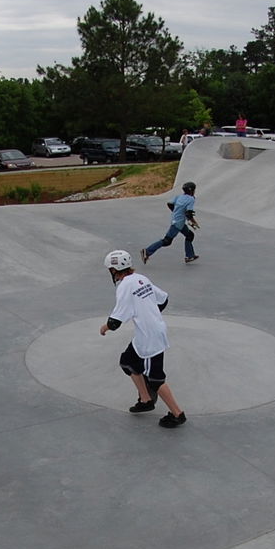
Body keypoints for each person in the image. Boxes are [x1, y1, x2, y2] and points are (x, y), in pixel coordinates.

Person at [99, 249, 187, 428]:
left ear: (114, 270)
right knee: (128, 361)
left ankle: (177, 414)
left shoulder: (124, 286)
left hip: (149, 338)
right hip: (150, 332)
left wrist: (105, 327)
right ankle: (146, 399)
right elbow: (163, 299)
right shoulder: (141, 279)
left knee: (155, 379)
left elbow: (116, 321)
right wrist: (149, 313)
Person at [141, 181, 198, 265]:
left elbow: (170, 203)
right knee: (167, 241)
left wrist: (176, 211)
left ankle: (190, 256)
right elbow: (189, 213)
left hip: (177, 221)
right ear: (191, 190)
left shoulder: (179, 197)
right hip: (178, 223)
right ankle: (147, 251)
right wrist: (193, 222)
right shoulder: (191, 199)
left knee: (190, 235)